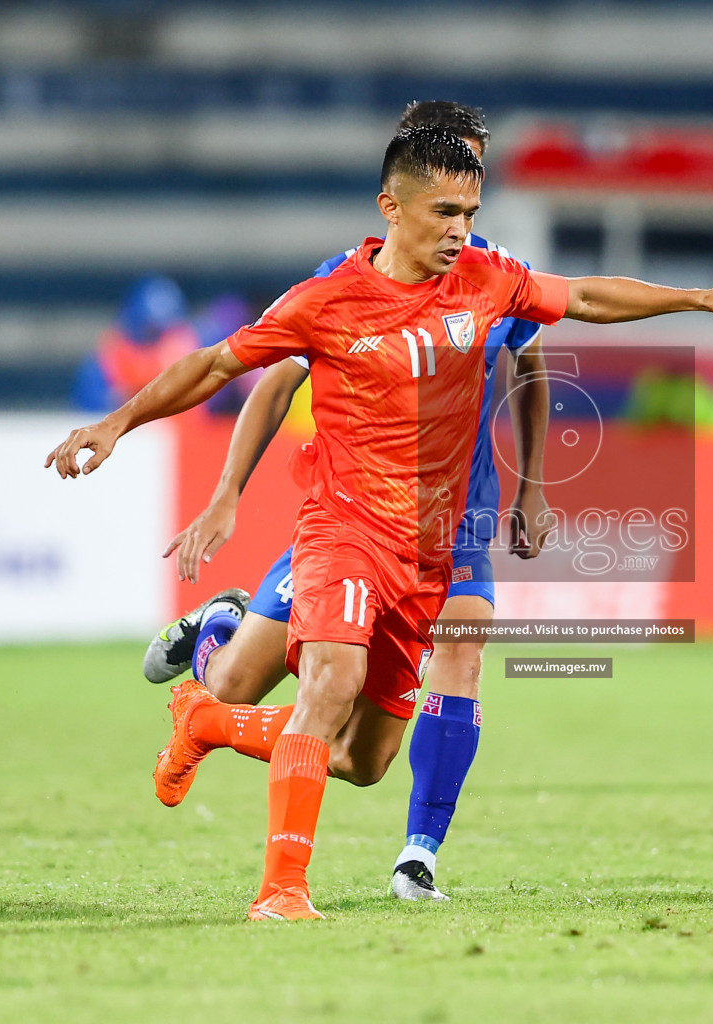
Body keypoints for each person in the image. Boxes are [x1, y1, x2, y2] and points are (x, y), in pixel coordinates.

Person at [46, 126, 713, 921]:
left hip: (433, 547)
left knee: (364, 760)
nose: (460, 228)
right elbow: (222, 364)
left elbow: (586, 297)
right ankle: (282, 893)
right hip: (346, 528)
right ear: (391, 208)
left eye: (470, 209)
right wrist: (118, 424)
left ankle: (207, 716)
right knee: (331, 684)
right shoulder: (327, 299)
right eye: (444, 211)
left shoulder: (488, 279)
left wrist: (699, 298)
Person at [140, 101, 553, 903]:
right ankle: (214, 649)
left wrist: (531, 488)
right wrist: (227, 491)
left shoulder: (496, 277)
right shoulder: (345, 282)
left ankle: (418, 857)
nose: (465, 206)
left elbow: (531, 373)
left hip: (454, 520)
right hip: (356, 513)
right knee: (240, 691)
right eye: (448, 180)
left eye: (474, 182)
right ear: (405, 183)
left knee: (449, 665)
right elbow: (271, 379)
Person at [71, 275, 199, 412]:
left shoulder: (186, 351)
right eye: (151, 330)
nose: (162, 338)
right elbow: (89, 413)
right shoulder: (105, 362)